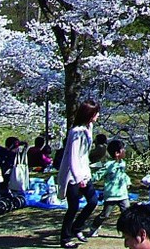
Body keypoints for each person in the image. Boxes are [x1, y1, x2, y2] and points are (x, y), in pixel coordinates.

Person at [58, 99, 101, 248]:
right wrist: (78, 178)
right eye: (96, 113)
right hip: (73, 176)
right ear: (89, 114)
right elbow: (73, 157)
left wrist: (86, 175)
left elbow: (84, 157)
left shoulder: (88, 128)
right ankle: (65, 238)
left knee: (93, 201)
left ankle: (77, 227)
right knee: (73, 207)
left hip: (84, 173)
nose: (98, 116)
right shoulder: (76, 132)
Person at [88, 139, 131, 238]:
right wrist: (90, 179)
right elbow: (99, 174)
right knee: (105, 214)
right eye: (122, 149)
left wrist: (128, 182)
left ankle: (127, 231)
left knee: (127, 213)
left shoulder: (123, 163)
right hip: (111, 195)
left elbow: (124, 175)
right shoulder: (108, 165)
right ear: (117, 153)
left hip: (123, 194)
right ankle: (94, 227)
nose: (124, 151)